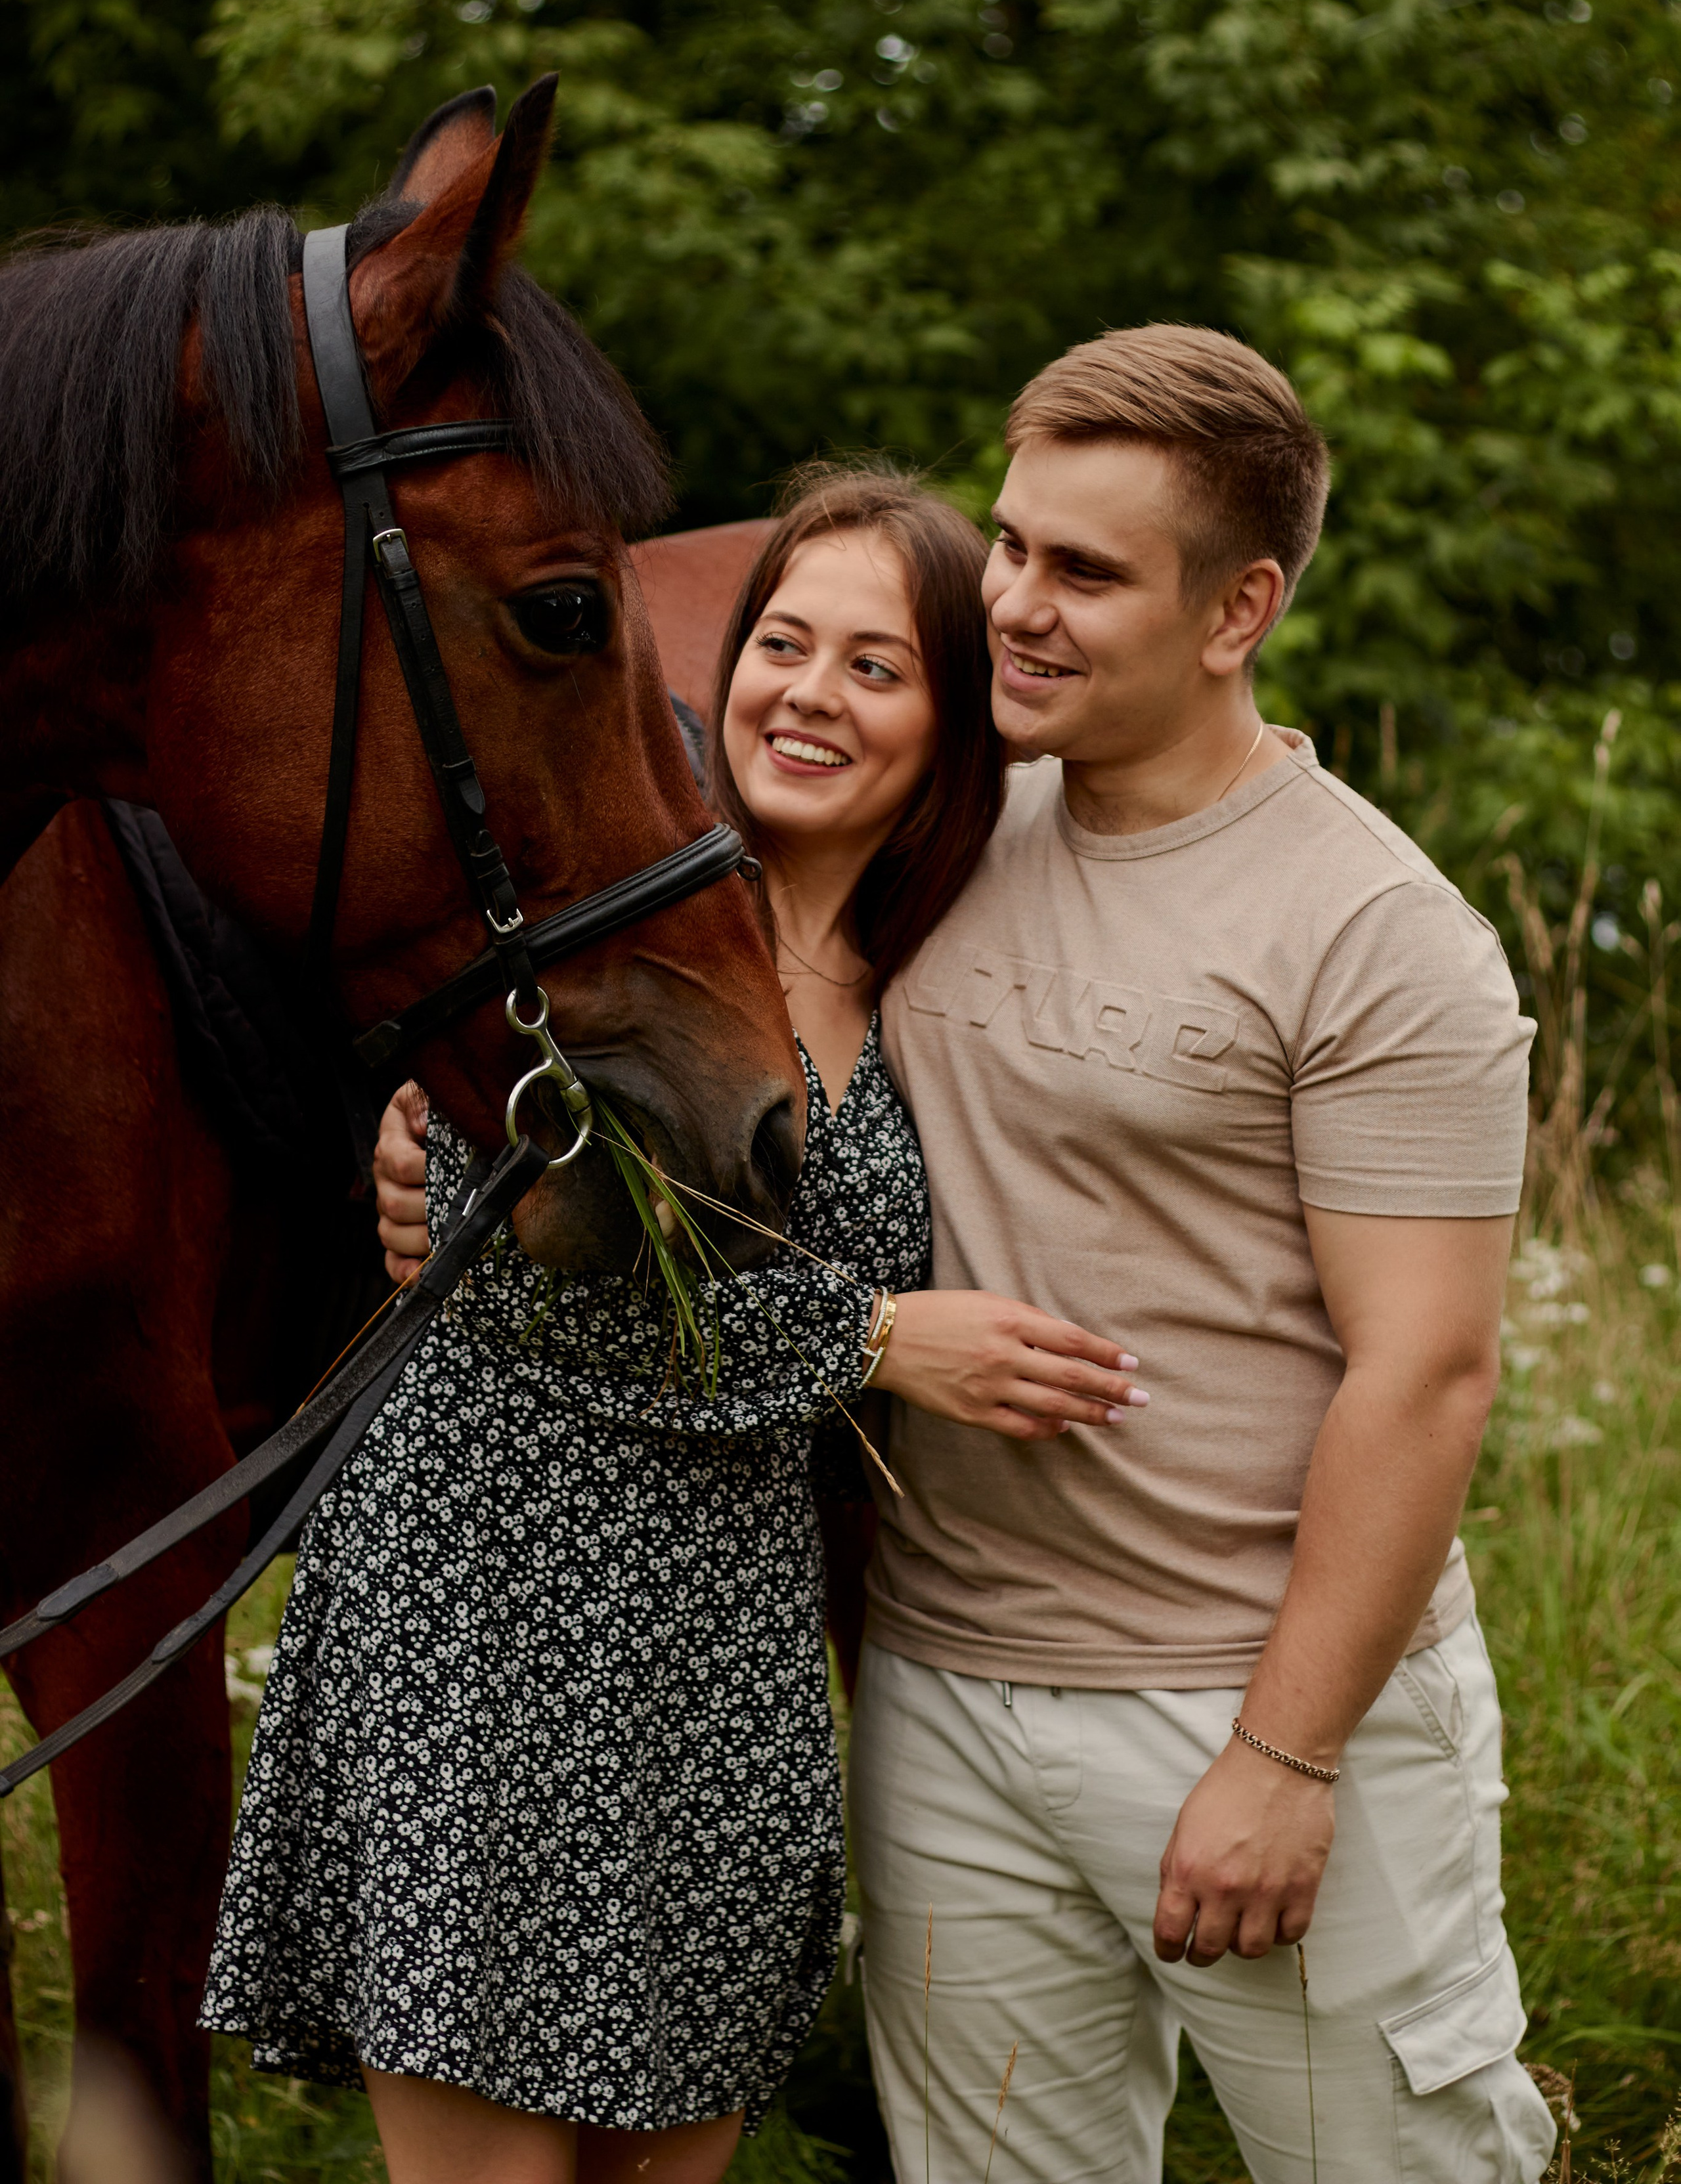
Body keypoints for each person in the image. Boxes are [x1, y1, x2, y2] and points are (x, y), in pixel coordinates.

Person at [200, 465, 1148, 2184]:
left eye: (877, 665)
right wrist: (873, 1342)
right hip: (483, 1621)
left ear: (953, 720)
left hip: (729, 1670)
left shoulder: (947, 974)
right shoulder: (578, 931)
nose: (807, 692)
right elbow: (523, 1294)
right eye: (785, 641)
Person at [849, 328, 1558, 2183]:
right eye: (1010, 546)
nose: (1012, 604)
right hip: (943, 1687)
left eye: (1085, 572)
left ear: (1240, 607)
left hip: (1247, 1691)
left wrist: (1291, 1757)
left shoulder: (1376, 930)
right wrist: (432, 1147)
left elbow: (1430, 1369)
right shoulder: (936, 835)